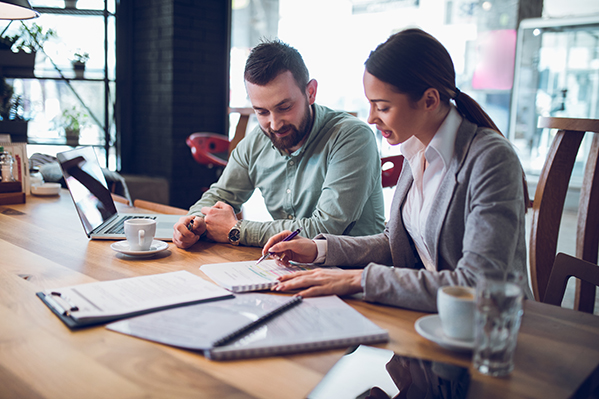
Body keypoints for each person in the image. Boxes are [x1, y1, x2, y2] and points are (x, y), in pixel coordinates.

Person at [263, 28, 533, 312]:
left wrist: (358, 279)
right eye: (370, 104)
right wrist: (319, 250)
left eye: (382, 106)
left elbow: (478, 284)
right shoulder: (415, 148)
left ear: (429, 100)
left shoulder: (490, 158)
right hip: (424, 318)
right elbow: (398, 243)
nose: (371, 118)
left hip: (485, 330)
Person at [173, 39, 385, 248]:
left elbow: (326, 228)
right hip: (286, 267)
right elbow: (221, 194)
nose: (274, 124)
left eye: (284, 107)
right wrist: (193, 222)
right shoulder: (256, 141)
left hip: (352, 273)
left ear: (310, 92)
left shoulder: (352, 137)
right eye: (261, 112)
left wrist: (237, 230)